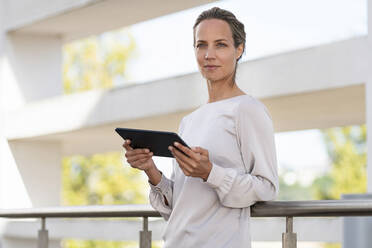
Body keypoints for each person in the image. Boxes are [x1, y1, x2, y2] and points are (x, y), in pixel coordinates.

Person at [122, 7, 279, 248]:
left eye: (221, 45)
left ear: (239, 49)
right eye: (201, 45)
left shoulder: (247, 109)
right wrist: (150, 169)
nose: (209, 55)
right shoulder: (189, 121)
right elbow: (181, 205)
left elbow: (266, 188)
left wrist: (209, 172)